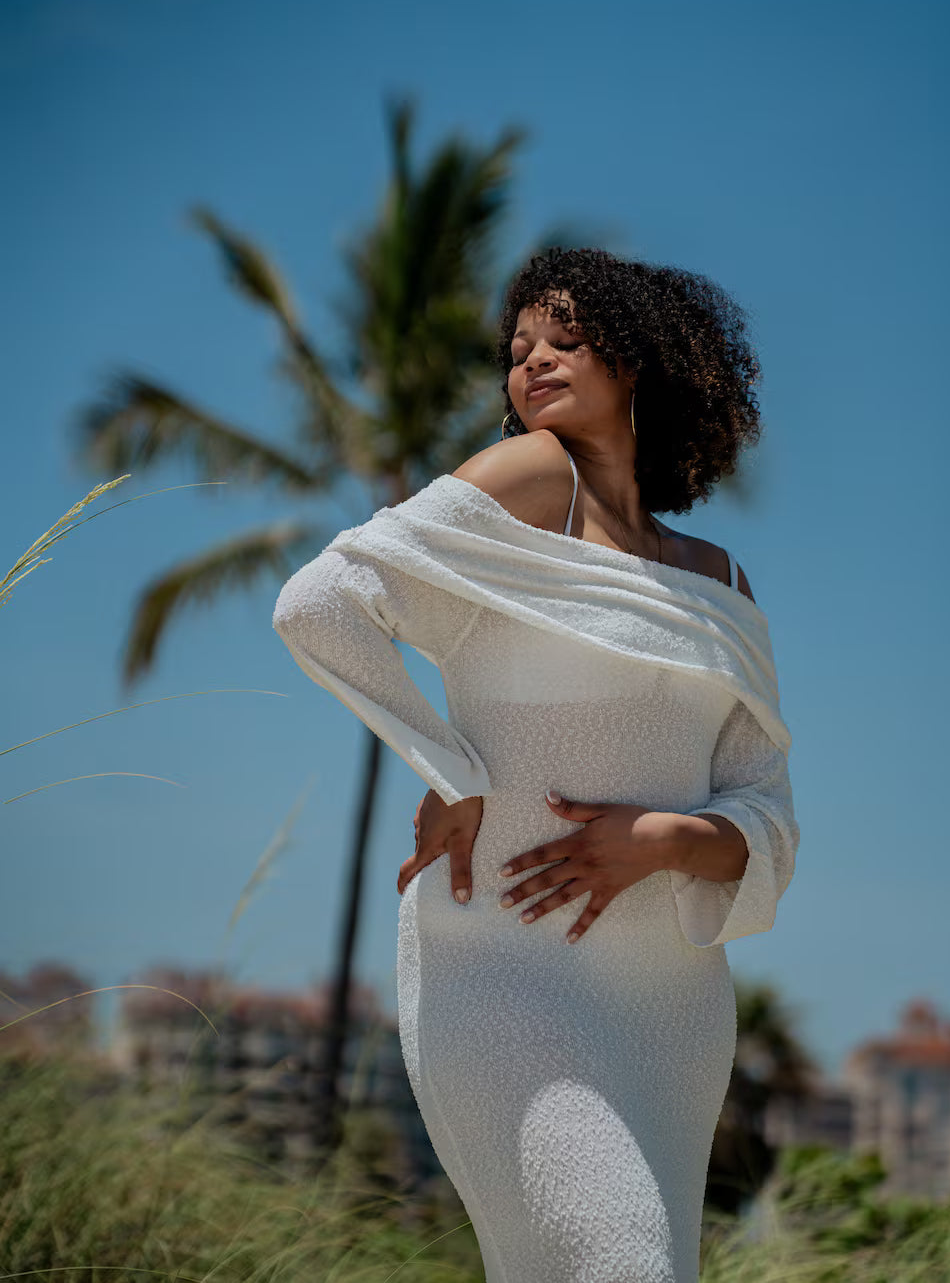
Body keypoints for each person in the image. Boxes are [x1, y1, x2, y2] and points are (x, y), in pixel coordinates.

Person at [272, 247, 799, 1283]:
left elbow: (765, 810)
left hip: (670, 1004)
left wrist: (662, 838)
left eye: (567, 338)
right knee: (622, 1262)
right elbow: (319, 604)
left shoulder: (721, 582)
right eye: (519, 349)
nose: (535, 361)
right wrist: (452, 771)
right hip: (504, 969)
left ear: (637, 359)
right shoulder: (530, 483)